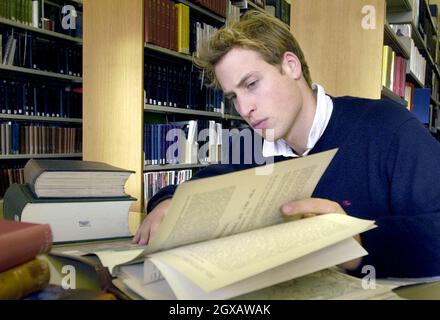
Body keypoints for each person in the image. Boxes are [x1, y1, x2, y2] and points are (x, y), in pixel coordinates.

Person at [133, 10, 440, 278]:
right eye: (233, 97)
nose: (244, 109)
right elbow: (192, 189)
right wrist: (166, 204)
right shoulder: (254, 148)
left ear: (291, 66)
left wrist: (357, 244)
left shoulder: (389, 127)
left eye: (251, 84)